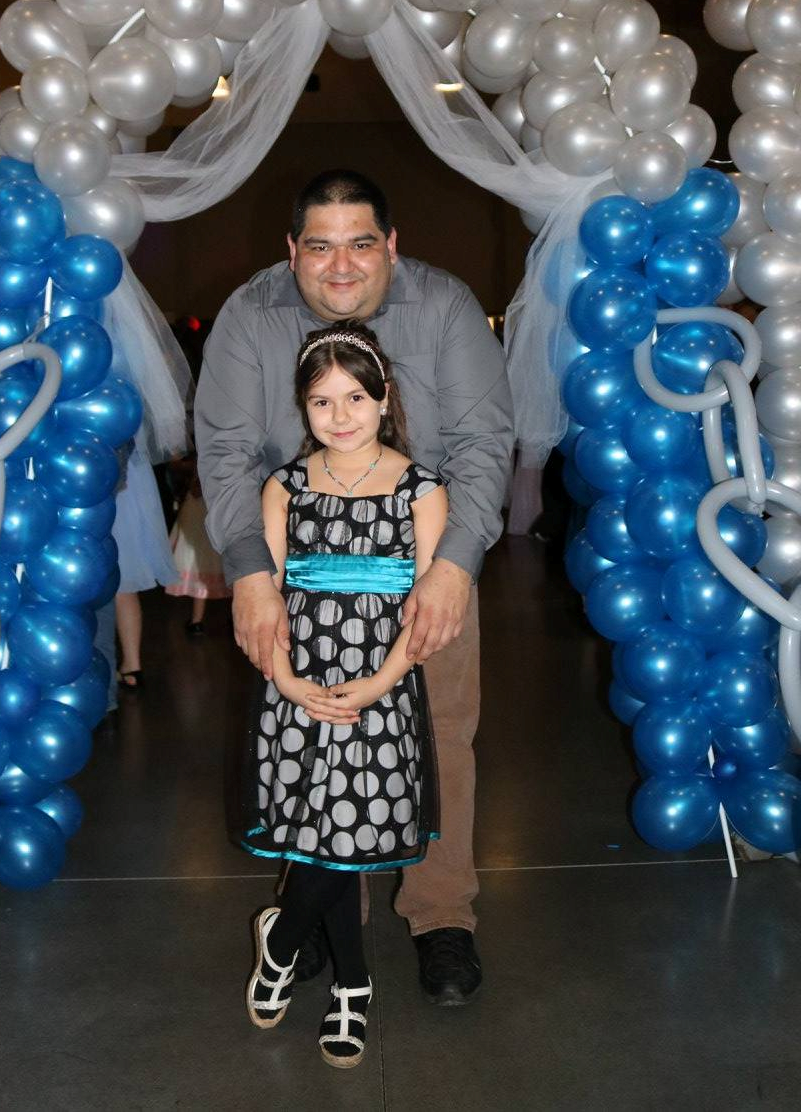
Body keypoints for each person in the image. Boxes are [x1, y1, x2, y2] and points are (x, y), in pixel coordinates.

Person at [195, 169, 514, 1007]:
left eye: (362, 243)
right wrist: (253, 581)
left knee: (437, 735)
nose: (342, 267)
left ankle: (442, 914)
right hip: (299, 580)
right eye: (322, 246)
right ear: (292, 249)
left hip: (424, 564)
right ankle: (324, 913)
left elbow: (484, 441)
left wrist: (454, 566)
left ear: (392, 246)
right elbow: (227, 451)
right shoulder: (248, 316)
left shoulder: (443, 308)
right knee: (317, 749)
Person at [240, 323, 445, 1066]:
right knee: (327, 837)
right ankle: (353, 985)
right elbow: (265, 594)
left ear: (384, 397)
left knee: (350, 836)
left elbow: (426, 607)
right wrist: (288, 679)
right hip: (297, 682)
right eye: (322, 401)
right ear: (303, 409)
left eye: (355, 396)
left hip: (382, 685)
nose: (341, 414)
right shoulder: (285, 486)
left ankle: (283, 940)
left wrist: (382, 681)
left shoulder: (421, 487)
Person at [112, 442, 179, 690]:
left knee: (120, 580)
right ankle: (132, 663)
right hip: (132, 480)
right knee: (124, 582)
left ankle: (126, 663)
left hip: (116, 480)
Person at [166, 446, 230, 635]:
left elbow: (188, 480)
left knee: (199, 563)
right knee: (217, 565)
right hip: (216, 513)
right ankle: (227, 618)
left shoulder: (202, 457)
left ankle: (197, 621)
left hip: (200, 514)